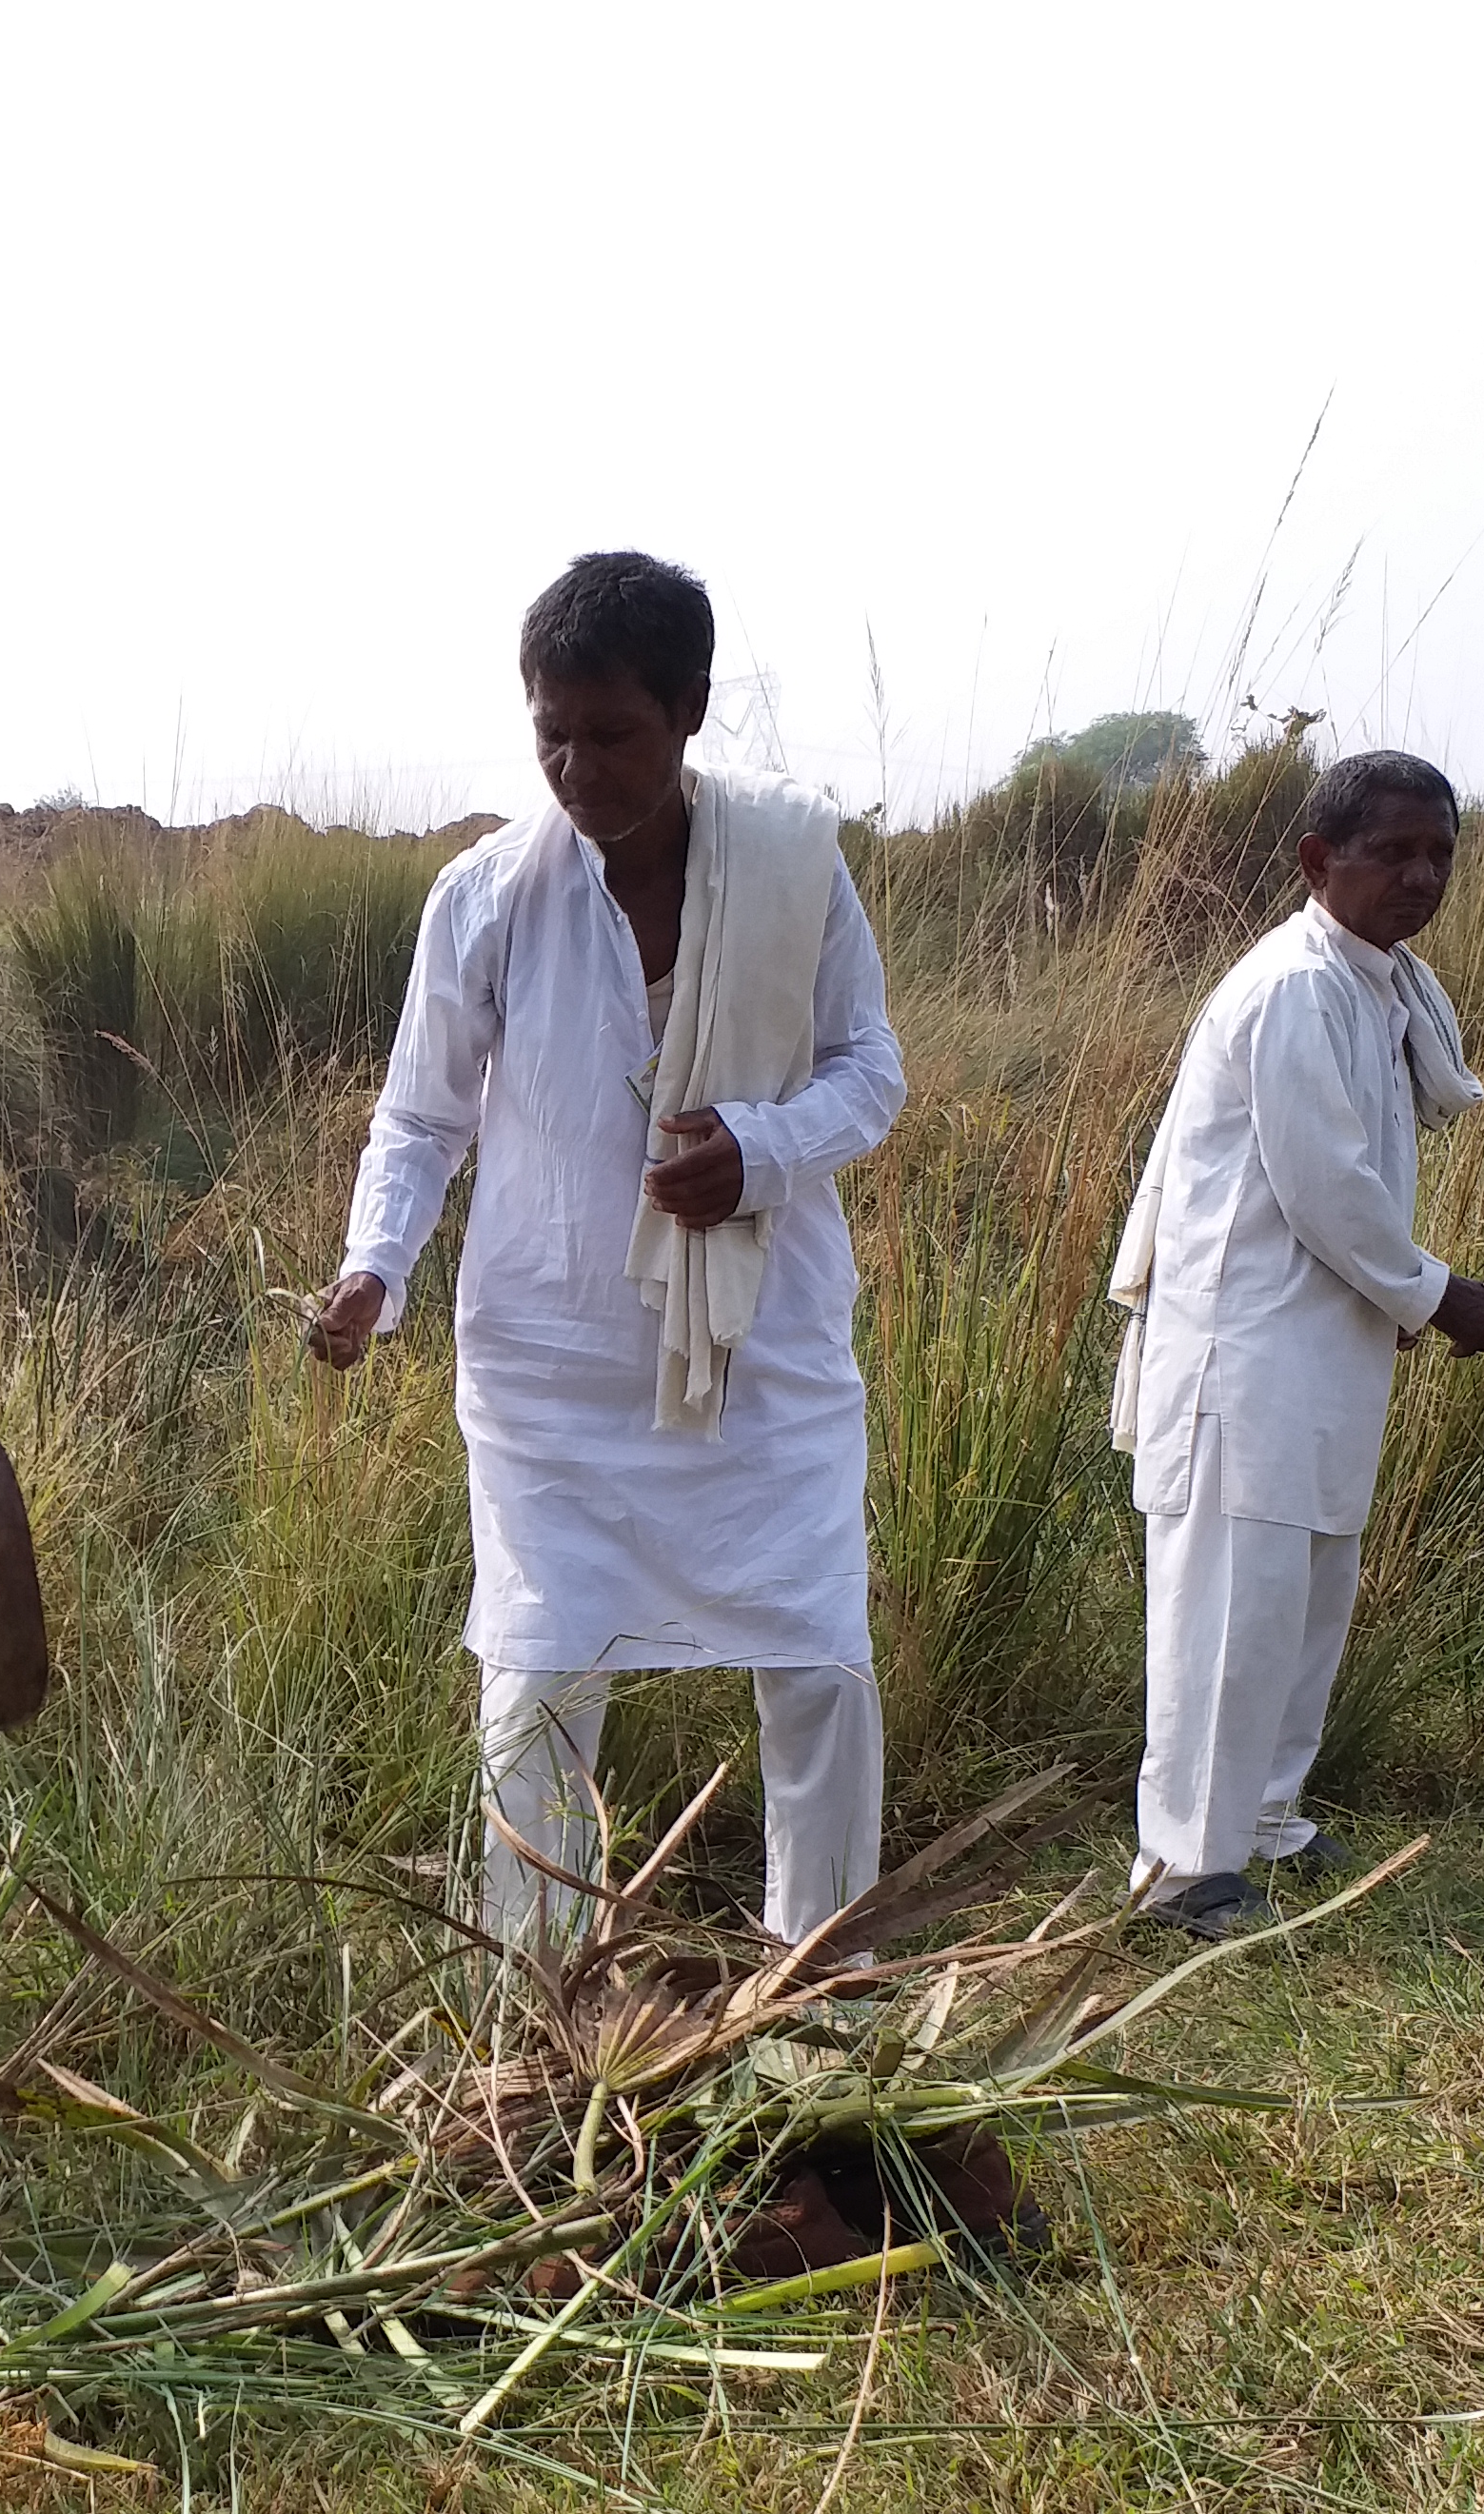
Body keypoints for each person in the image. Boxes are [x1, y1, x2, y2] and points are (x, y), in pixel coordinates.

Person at [308, 552, 909, 1949]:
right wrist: (371, 1272)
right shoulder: (486, 894)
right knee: (536, 1682)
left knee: (816, 1665)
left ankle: (817, 1984)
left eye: (611, 733)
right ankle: (549, 1995)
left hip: (762, 1359)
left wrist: (758, 1150)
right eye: (550, 734)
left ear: (692, 709)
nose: (576, 767)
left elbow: (868, 1072)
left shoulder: (791, 867)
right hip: (552, 1368)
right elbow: (419, 1114)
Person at [1105, 748, 1484, 1943]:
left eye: (1440, 852)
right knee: (1230, 1608)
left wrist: (1395, 1305)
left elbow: (1354, 1178)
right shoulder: (1293, 985)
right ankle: (1183, 1869)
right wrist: (1438, 1296)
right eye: (1395, 852)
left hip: (1318, 1338)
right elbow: (1326, 1185)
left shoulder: (1375, 980)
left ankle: (1267, 1818)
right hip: (1245, 1347)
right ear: (1318, 860)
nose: (1423, 875)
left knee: (1306, 1592)